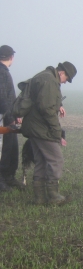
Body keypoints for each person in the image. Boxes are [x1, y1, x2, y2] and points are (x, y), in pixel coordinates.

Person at [21, 62, 77, 205]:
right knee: (56, 160)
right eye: (66, 79)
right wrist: (57, 131)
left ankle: (39, 198)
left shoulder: (45, 76)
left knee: (41, 160)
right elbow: (46, 108)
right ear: (62, 73)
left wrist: (59, 105)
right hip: (41, 128)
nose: (65, 82)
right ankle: (53, 196)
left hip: (33, 126)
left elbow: (44, 99)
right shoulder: (50, 81)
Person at [0, 45, 26, 192]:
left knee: (11, 148)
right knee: (5, 149)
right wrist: (11, 117)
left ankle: (9, 177)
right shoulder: (2, 73)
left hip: (8, 116)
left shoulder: (4, 72)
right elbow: (3, 98)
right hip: (4, 119)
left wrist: (15, 115)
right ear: (11, 57)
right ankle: (2, 180)